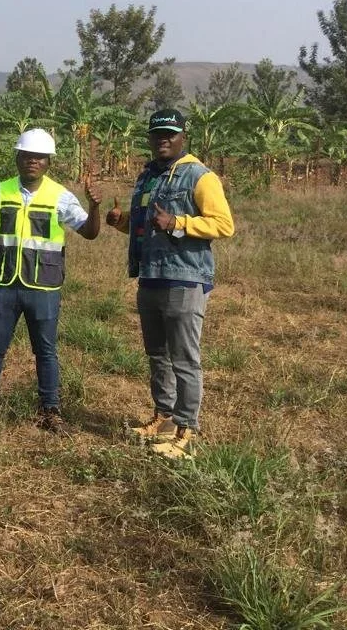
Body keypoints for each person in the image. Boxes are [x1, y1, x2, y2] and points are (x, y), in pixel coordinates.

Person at [106, 108, 234, 459]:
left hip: (185, 277)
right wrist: (121, 223)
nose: (163, 139)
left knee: (184, 359)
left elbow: (223, 225)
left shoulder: (200, 176)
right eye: (157, 134)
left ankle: (186, 428)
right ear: (149, 139)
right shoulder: (147, 177)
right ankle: (163, 417)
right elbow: (148, 226)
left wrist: (179, 221)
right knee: (157, 355)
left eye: (170, 134)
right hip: (150, 277)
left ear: (182, 138)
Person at [0, 128, 101, 432]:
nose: (32, 161)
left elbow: (90, 233)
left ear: (48, 162)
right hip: (3, 283)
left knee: (46, 350)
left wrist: (94, 208)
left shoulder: (61, 196)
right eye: (27, 156)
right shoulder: (1, 191)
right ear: (17, 158)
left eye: (39, 157)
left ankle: (50, 410)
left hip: (43, 287)